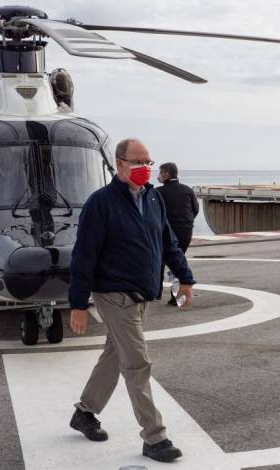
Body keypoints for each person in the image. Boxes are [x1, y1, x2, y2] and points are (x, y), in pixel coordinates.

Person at [68, 138, 195, 463]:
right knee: (137, 363)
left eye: (149, 162)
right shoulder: (101, 203)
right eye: (138, 162)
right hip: (113, 293)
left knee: (115, 353)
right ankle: (155, 438)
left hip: (142, 294)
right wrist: (78, 304)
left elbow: (167, 242)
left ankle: (85, 412)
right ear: (119, 164)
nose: (145, 168)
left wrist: (185, 277)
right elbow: (84, 256)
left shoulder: (153, 199)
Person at [156, 162, 199, 305]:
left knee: (160, 261)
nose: (159, 175)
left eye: (161, 172)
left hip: (167, 233)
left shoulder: (158, 192)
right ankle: (177, 296)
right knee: (178, 261)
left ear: (167, 173)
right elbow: (195, 209)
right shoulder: (187, 190)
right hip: (186, 231)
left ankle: (158, 292)